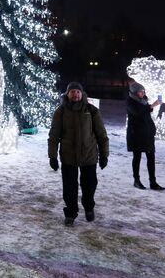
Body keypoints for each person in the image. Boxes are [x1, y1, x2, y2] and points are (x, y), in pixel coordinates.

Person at [48, 82, 109, 226]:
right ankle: (70, 213)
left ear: (82, 94)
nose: (75, 94)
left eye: (78, 92)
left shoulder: (91, 110)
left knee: (89, 185)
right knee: (69, 188)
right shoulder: (61, 111)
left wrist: (104, 154)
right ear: (67, 94)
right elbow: (54, 135)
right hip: (68, 156)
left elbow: (101, 134)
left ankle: (89, 207)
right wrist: (52, 156)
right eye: (72, 92)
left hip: (89, 155)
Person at [127, 82, 165, 191]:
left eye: (143, 91)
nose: (142, 93)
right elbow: (137, 112)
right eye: (140, 91)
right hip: (136, 134)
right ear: (134, 92)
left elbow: (145, 113)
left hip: (147, 134)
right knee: (137, 157)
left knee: (151, 158)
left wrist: (152, 129)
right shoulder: (130, 101)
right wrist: (151, 106)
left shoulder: (144, 101)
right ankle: (136, 180)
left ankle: (153, 182)